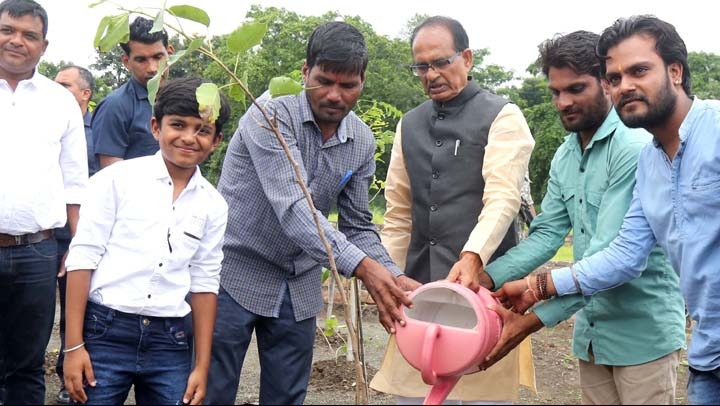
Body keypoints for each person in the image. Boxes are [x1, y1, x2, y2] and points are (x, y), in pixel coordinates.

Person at [493, 16, 720, 406]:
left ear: (676, 71)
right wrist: (513, 283)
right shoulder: (649, 161)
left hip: (645, 335)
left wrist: (533, 310)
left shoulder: (707, 132)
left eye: (639, 71)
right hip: (706, 351)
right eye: (616, 77)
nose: (625, 85)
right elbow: (623, 254)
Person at [205, 21, 419, 405]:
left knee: (287, 397)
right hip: (233, 273)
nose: (334, 95)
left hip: (298, 283)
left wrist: (394, 276)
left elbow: (358, 226)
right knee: (211, 391)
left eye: (348, 85)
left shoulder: (361, 140)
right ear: (305, 72)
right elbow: (294, 210)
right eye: (323, 81)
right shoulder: (269, 114)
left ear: (362, 82)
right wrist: (366, 270)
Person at [370, 16, 536, 405]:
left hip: (485, 295)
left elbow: (503, 197)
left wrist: (473, 256)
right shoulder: (408, 125)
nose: (431, 74)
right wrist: (390, 279)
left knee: (482, 391)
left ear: (466, 58)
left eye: (441, 62)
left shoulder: (502, 115)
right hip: (419, 296)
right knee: (414, 389)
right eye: (421, 66)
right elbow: (397, 214)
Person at [62, 77, 230, 405]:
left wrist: (201, 366)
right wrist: (73, 346)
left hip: (170, 340)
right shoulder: (116, 180)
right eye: (178, 125)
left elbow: (205, 283)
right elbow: (82, 258)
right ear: (156, 127)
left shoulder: (213, 205)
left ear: (216, 140)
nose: (188, 137)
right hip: (105, 330)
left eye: (202, 130)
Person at [0, 0, 88, 404]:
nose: (16, 41)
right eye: (7, 30)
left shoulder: (60, 101)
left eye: (29, 34)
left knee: (26, 366)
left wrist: (78, 247)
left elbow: (75, 182)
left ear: (44, 45)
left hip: (38, 252)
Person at [53, 64, 99, 405]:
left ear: (85, 94)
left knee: (77, 309)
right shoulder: (43, 123)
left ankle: (70, 379)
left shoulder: (95, 133)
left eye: (65, 85)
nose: (57, 90)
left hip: (78, 235)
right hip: (40, 235)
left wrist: (77, 242)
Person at [91, 16, 173, 169]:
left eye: (158, 57)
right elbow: (111, 174)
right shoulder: (115, 106)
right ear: (126, 62)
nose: (153, 68)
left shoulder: (181, 100)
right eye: (141, 60)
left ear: (170, 53)